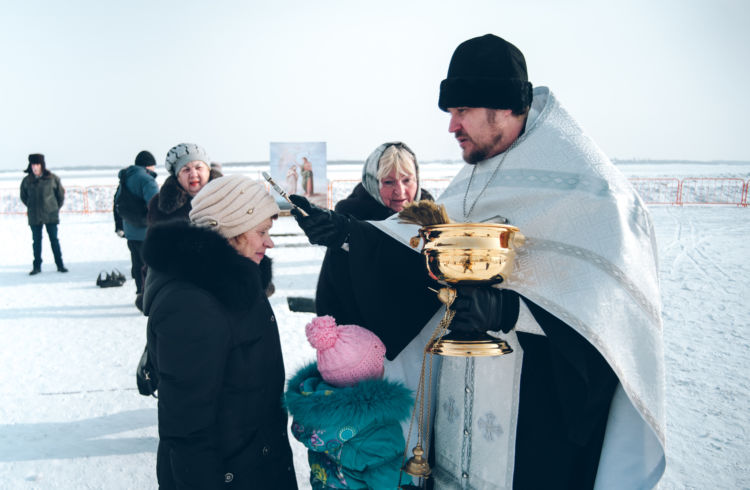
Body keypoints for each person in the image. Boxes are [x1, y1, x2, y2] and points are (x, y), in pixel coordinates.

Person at [290, 34, 666, 489]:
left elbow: (610, 312)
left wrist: (513, 311)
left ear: (504, 106)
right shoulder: (480, 171)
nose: (452, 127)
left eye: (461, 111)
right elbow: (423, 245)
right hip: (457, 409)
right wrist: (348, 233)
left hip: (538, 411)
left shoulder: (590, 188)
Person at [141, 175, 297, 489]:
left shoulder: (238, 283)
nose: (270, 242)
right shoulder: (191, 304)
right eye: (262, 232)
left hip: (255, 463)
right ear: (230, 230)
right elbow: (187, 429)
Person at [285, 315, 412, 489]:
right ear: (367, 379)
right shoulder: (379, 429)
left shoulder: (316, 413)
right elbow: (390, 480)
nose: (383, 366)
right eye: (378, 362)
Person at [315, 142, 434, 327]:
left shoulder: (431, 220)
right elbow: (332, 290)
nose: (400, 191)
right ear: (372, 182)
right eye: (389, 182)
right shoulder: (350, 224)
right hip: (366, 339)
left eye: (407, 180)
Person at [113, 150, 159, 295]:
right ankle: (149, 296)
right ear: (149, 165)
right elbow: (155, 205)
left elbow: (117, 202)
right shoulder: (146, 179)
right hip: (146, 231)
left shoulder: (125, 177)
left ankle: (140, 293)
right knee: (152, 268)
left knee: (137, 265)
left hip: (130, 230)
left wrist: (119, 226)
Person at [147, 142, 222, 226]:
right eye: (186, 170)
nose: (193, 174)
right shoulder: (158, 207)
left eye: (198, 168)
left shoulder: (228, 198)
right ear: (177, 176)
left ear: (208, 170)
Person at [19, 153, 67, 275]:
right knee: (36, 241)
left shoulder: (52, 179)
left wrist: (54, 208)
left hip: (50, 215)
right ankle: (37, 267)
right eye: (33, 164)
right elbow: (24, 197)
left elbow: (60, 196)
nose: (35, 167)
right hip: (34, 216)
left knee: (54, 240)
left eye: (37, 164)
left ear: (42, 165)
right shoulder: (27, 181)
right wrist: (32, 207)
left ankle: (60, 265)